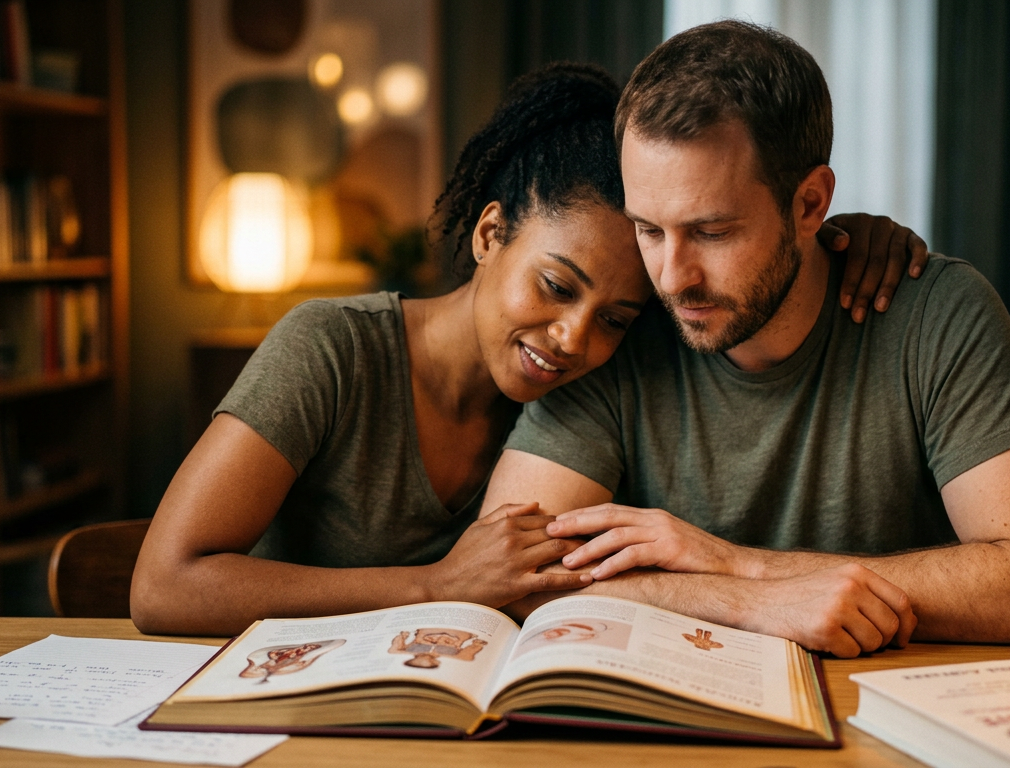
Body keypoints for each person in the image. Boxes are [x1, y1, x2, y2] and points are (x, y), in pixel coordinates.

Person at [130, 63, 927, 637]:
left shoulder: (607, 382)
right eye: (555, 285)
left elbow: (733, 257)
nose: (576, 339)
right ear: (488, 233)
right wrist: (437, 586)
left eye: (616, 316)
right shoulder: (330, 349)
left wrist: (847, 239)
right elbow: (165, 586)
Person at [481, 23, 1010, 658]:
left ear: (810, 204)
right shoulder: (620, 326)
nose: (672, 278)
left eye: (712, 232)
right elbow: (517, 578)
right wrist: (749, 601)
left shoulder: (937, 314)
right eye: (649, 229)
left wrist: (736, 563)